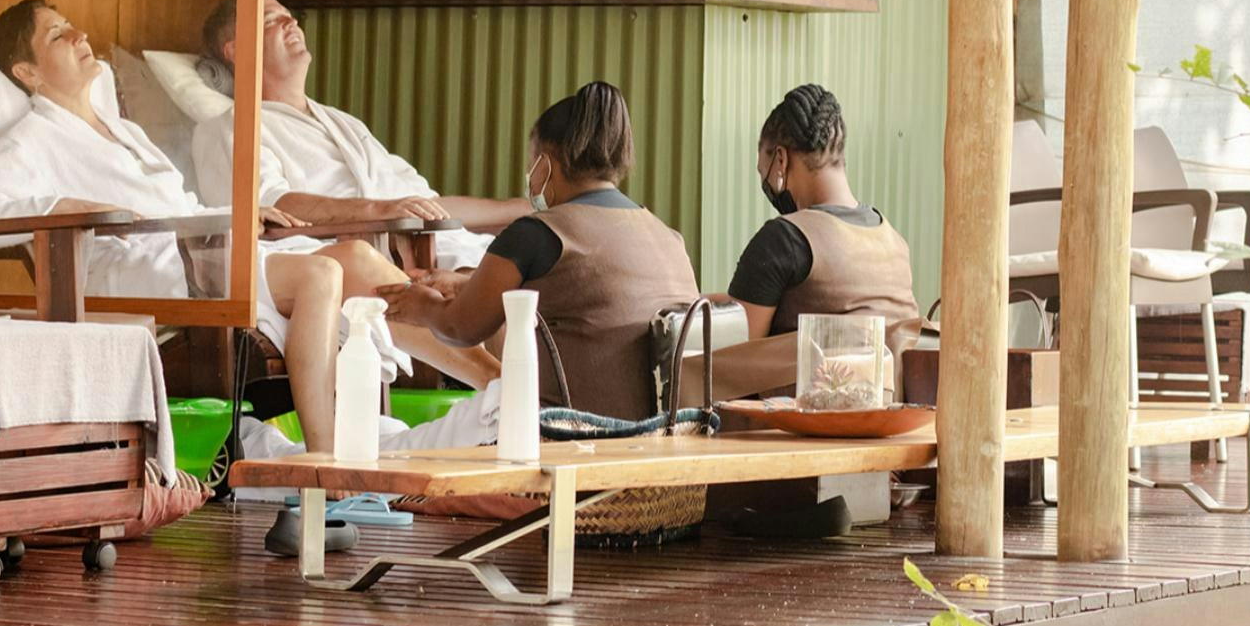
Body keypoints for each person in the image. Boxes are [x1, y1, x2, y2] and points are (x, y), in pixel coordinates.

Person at [0, 0, 497, 454]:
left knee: (359, 262)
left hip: (186, 250)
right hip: (134, 269)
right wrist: (71, 205)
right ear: (27, 72)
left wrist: (238, 217)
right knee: (319, 275)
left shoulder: (123, 131)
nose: (79, 35)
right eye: (57, 34)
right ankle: (325, 460)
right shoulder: (32, 139)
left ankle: (500, 388)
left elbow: (180, 205)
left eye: (71, 25)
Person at [378, 82, 699, 421]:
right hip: (669, 431)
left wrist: (423, 305)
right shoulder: (668, 237)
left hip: (576, 431)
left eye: (532, 164)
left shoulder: (537, 232)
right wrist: (468, 284)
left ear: (545, 165)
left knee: (399, 440)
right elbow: (592, 298)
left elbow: (459, 329)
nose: (530, 176)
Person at [191, 0, 525, 271]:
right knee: (501, 289)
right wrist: (377, 211)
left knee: (530, 264)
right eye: (270, 21)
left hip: (447, 247)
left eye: (289, 16)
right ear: (236, 50)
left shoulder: (344, 124)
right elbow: (269, 206)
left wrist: (520, 209)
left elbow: (425, 204)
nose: (291, 22)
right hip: (367, 264)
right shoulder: (228, 128)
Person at [725, 84, 918, 339]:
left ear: (781, 160)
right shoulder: (894, 243)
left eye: (765, 173)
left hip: (810, 369)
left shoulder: (783, 239)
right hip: (892, 367)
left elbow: (738, 353)